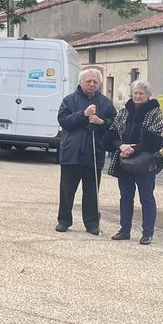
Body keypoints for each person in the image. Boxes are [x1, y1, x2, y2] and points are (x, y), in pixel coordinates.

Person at [104, 80, 163, 245]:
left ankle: (147, 233)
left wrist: (135, 148)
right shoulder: (124, 111)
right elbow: (113, 133)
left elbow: (155, 138)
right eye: (136, 93)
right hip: (124, 161)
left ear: (148, 96)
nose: (138, 96)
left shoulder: (155, 112)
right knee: (125, 197)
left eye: (141, 93)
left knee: (146, 197)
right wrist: (121, 146)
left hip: (145, 162)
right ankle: (124, 230)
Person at [55, 68, 115, 235]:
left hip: (94, 154)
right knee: (67, 190)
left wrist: (100, 121)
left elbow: (114, 124)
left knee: (91, 191)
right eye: (89, 81)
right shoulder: (69, 100)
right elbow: (64, 121)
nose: (92, 84)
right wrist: (83, 114)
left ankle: (92, 223)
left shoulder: (105, 103)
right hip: (71, 153)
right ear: (81, 82)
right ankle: (64, 221)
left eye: (95, 82)